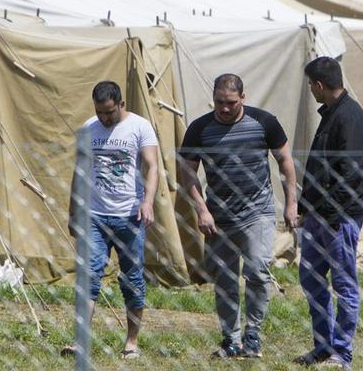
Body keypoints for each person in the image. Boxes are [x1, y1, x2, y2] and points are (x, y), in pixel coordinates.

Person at [179, 73, 297, 359]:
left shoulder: (264, 122)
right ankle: (230, 339)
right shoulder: (199, 129)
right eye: (219, 102)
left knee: (257, 270)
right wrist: (202, 210)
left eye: (230, 102)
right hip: (218, 217)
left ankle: (253, 333)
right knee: (225, 279)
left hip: (257, 212)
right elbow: (186, 172)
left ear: (243, 98)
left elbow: (285, 161)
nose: (224, 108)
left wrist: (291, 203)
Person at [66, 80, 159, 360]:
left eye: (109, 112)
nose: (104, 118)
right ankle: (80, 341)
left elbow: (153, 166)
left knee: (132, 279)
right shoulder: (89, 128)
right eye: (100, 112)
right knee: (90, 275)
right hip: (94, 215)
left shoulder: (140, 127)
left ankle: (131, 341)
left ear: (121, 104)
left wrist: (147, 202)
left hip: (130, 215)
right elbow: (79, 171)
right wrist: (73, 210)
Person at [293, 57, 363, 371]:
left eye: (311, 84)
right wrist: (306, 208)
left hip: (339, 217)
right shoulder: (331, 115)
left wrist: (331, 212)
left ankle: (342, 354)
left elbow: (352, 174)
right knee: (311, 279)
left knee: (343, 285)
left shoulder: (349, 117)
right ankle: (322, 347)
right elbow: (321, 170)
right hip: (318, 216)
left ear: (319, 85)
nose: (311, 90)